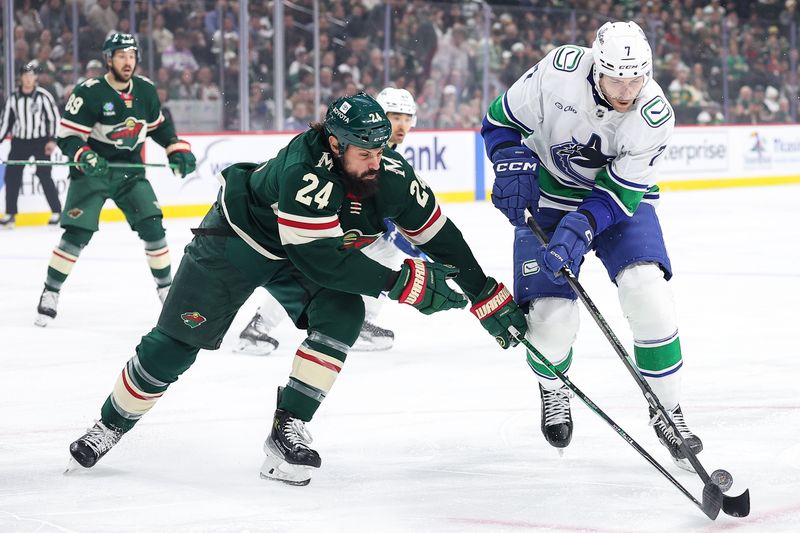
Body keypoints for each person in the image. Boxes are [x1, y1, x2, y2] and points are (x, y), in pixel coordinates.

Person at [66, 92, 527, 486]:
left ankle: (289, 426)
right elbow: (320, 260)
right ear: (334, 142)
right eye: (364, 153)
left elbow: (440, 236)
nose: (376, 162)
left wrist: (482, 291)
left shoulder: (388, 172)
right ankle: (108, 425)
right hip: (238, 241)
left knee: (342, 316)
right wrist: (402, 281)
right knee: (177, 344)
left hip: (299, 251)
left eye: (381, 150)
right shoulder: (304, 168)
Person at [482, 21, 702, 470]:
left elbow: (620, 194)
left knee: (648, 292)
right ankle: (553, 386)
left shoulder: (654, 114)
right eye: (616, 79)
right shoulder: (559, 70)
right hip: (547, 198)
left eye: (636, 79)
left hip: (617, 204)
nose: (626, 91)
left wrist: (582, 225)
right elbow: (498, 122)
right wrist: (508, 158)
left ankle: (668, 408)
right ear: (595, 68)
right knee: (550, 322)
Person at [235, 87, 424, 354]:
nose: (401, 125)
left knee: (384, 250)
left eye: (407, 117)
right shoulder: (353, 145)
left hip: (342, 226)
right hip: (312, 221)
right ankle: (258, 326)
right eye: (394, 116)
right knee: (311, 268)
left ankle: (362, 322)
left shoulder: (386, 155)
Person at [34, 33, 196, 326]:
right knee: (77, 234)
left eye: (132, 55)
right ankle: (50, 291)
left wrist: (175, 147)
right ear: (109, 59)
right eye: (121, 55)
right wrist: (84, 155)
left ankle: (166, 291)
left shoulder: (146, 90)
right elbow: (67, 136)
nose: (127, 61)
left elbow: (158, 127)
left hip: (130, 172)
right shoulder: (90, 91)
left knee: (153, 227)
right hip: (93, 173)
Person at [0, 62, 62, 229]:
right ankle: (10, 214)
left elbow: (54, 119)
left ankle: (57, 211)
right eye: (25, 75)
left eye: (31, 75)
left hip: (41, 141)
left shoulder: (43, 96)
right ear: (21, 78)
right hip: (20, 141)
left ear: (35, 77)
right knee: (12, 176)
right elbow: (5, 123)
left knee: (44, 175)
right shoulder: (13, 98)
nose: (28, 78)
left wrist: (52, 140)